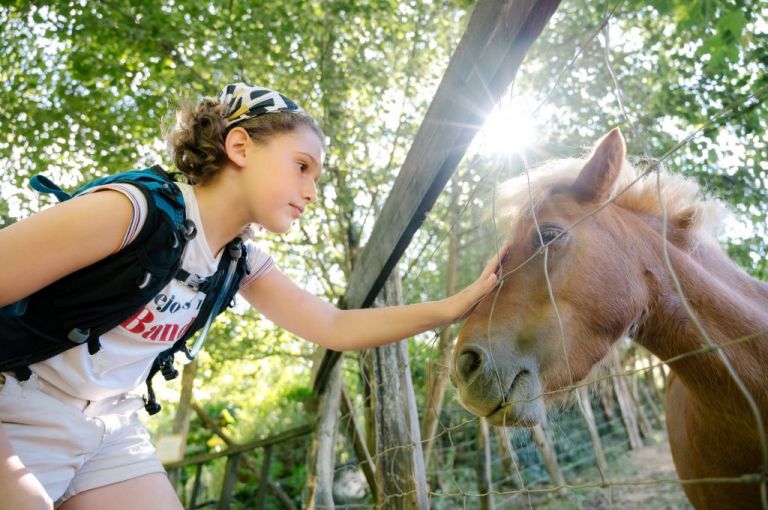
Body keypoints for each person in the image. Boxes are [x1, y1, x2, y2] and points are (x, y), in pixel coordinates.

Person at [0, 83, 502, 510]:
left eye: (317, 177)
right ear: (239, 147)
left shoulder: (238, 261)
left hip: (111, 428)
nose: (311, 191)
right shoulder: (134, 211)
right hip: (20, 409)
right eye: (301, 166)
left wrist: (457, 306)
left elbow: (334, 327)